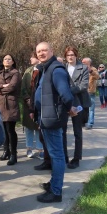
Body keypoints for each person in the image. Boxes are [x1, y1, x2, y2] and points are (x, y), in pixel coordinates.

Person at [34, 42, 77, 203]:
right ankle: (53, 183)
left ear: (51, 51)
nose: (41, 53)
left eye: (44, 50)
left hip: (52, 119)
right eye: (38, 51)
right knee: (54, 154)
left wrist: (70, 108)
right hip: (46, 118)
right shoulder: (46, 68)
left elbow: (65, 94)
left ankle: (56, 192)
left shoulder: (56, 70)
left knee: (57, 156)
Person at [64, 46, 91, 169]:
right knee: (62, 131)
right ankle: (63, 156)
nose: (70, 57)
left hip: (79, 102)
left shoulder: (83, 68)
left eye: (72, 54)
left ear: (76, 55)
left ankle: (76, 158)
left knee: (77, 132)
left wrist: (66, 91)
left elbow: (83, 85)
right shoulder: (62, 68)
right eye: (68, 55)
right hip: (64, 102)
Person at [0, 54, 21, 166]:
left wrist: (0, 88)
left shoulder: (16, 73)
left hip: (10, 104)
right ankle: (6, 151)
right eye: (5, 59)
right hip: (0, 104)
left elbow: (12, 87)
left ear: (13, 62)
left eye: (9, 59)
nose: (7, 60)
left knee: (10, 130)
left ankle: (13, 154)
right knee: (3, 130)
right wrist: (1, 86)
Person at [21, 53, 43, 158]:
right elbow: (23, 86)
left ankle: (40, 149)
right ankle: (29, 148)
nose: (30, 58)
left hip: (39, 103)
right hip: (28, 103)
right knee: (29, 127)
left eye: (32, 57)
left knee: (38, 127)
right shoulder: (28, 71)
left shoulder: (43, 69)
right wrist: (28, 99)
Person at [81, 58, 99, 130]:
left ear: (89, 63)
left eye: (84, 62)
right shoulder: (80, 69)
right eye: (82, 62)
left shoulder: (93, 69)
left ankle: (90, 123)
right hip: (82, 91)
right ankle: (83, 122)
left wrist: (90, 71)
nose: (82, 63)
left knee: (91, 109)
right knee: (82, 108)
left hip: (90, 91)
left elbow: (97, 76)